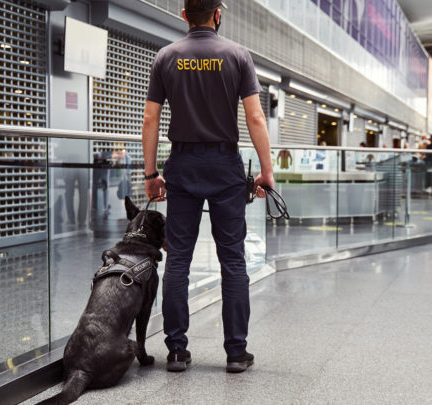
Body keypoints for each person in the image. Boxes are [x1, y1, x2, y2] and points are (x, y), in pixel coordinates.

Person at [141, 0, 274, 373]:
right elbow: (255, 117)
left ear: (184, 15)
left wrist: (152, 175)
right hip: (224, 165)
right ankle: (236, 352)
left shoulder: (166, 57)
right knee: (232, 258)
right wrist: (266, 171)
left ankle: (177, 351)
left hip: (182, 165)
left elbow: (151, 118)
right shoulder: (237, 55)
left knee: (179, 258)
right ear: (218, 14)